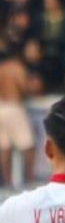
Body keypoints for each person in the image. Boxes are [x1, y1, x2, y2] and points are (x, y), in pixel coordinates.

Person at [0, 47, 35, 188]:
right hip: (14, 107)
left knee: (5, 146)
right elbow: (24, 89)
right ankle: (30, 181)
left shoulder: (1, 69)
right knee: (28, 146)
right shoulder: (17, 68)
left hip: (1, 107)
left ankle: (7, 183)